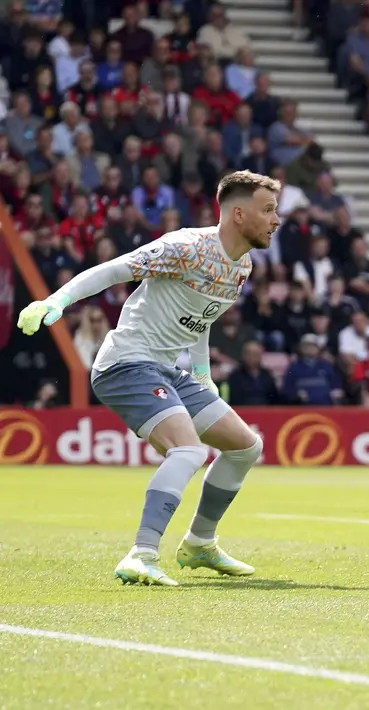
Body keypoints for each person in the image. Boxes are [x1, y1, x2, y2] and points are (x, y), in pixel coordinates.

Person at [17, 170, 282, 587]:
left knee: (246, 447)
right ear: (237, 214)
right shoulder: (186, 247)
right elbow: (114, 269)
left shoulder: (241, 266)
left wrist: (202, 375)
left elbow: (201, 319)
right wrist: (57, 300)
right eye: (268, 210)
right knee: (189, 452)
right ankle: (141, 553)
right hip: (126, 363)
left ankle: (199, 543)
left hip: (168, 369)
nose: (275, 219)